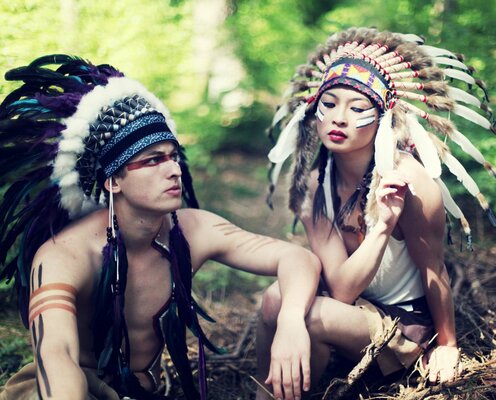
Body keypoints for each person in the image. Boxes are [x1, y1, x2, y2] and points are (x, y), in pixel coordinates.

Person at [0, 55, 320, 400]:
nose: (174, 170)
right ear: (112, 182)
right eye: (153, 160)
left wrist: (290, 321)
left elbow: (296, 258)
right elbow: (57, 355)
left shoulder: (192, 230)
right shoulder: (63, 256)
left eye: (173, 156)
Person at [258, 27, 496, 398]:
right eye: (329, 104)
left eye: (357, 108)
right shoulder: (316, 184)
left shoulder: (410, 181)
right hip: (351, 306)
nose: (338, 118)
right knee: (274, 299)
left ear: (382, 118)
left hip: (401, 328)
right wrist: (381, 231)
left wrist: (447, 346)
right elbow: (342, 288)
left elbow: (433, 268)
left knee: (307, 316)